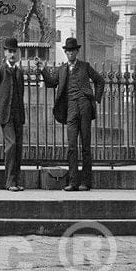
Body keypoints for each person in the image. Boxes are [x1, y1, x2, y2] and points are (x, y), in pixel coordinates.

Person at [36, 37, 105, 191]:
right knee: (72, 146)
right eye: (68, 51)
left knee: (86, 146)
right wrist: (42, 69)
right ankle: (73, 182)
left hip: (85, 108)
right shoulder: (61, 70)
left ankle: (86, 182)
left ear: (77, 51)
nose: (71, 53)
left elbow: (100, 81)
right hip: (70, 110)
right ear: (65, 52)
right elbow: (51, 83)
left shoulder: (85, 67)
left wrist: (96, 98)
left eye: (73, 50)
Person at [0, 37, 26, 192]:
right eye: (9, 51)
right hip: (6, 116)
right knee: (11, 146)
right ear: (5, 53)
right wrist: (0, 109)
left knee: (18, 148)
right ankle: (9, 182)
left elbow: (20, 94)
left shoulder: (19, 72)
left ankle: (16, 181)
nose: (12, 55)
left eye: (14, 52)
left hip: (18, 116)